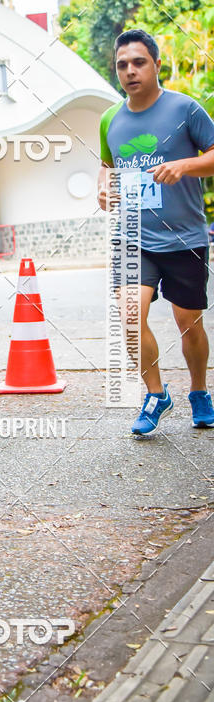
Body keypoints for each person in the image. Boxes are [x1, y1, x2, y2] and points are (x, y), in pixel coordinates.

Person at [97, 28, 214, 436]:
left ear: (156, 64)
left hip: (184, 237)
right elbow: (108, 166)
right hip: (133, 236)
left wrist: (185, 165)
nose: (129, 71)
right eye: (122, 65)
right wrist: (103, 186)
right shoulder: (110, 118)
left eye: (138, 62)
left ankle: (199, 389)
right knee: (129, 314)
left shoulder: (186, 109)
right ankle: (155, 393)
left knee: (188, 321)